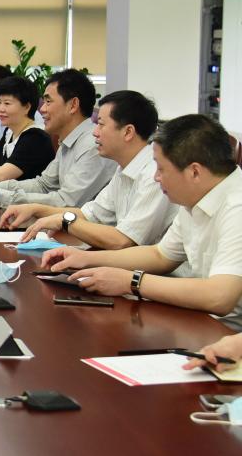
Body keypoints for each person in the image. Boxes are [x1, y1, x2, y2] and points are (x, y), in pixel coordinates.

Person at [41, 114, 242, 329]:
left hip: (226, 334)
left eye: (161, 169)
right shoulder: (196, 196)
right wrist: (86, 258)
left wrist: (132, 281)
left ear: (194, 171)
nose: (156, 177)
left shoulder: (236, 206)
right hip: (198, 320)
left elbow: (219, 297)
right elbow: (160, 255)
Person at [0, 90, 176, 249]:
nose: (95, 132)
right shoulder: (123, 169)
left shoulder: (154, 175)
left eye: (101, 124)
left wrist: (65, 222)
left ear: (128, 132)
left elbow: (123, 240)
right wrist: (35, 209)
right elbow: (90, 214)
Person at [0, 68, 116, 207]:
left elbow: (66, 201)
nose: (42, 109)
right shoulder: (67, 142)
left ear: (73, 105)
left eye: (48, 101)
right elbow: (43, 185)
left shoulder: (93, 145)